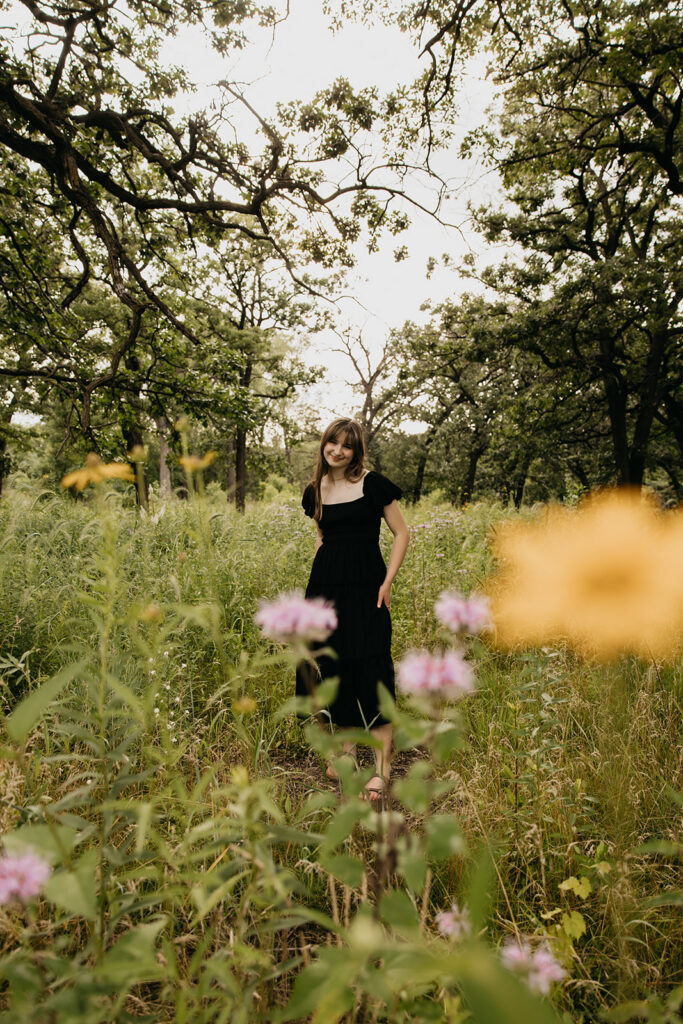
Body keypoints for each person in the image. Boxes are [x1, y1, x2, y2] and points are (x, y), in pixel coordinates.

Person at [296, 418, 409, 802]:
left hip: (366, 588)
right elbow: (322, 538)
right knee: (334, 666)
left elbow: (402, 533)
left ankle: (382, 765)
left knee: (372, 665)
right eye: (332, 443)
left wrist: (387, 581)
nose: (338, 451)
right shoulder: (315, 490)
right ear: (324, 444)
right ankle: (346, 758)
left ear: (355, 450)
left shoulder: (372, 485)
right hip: (325, 589)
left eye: (346, 445)